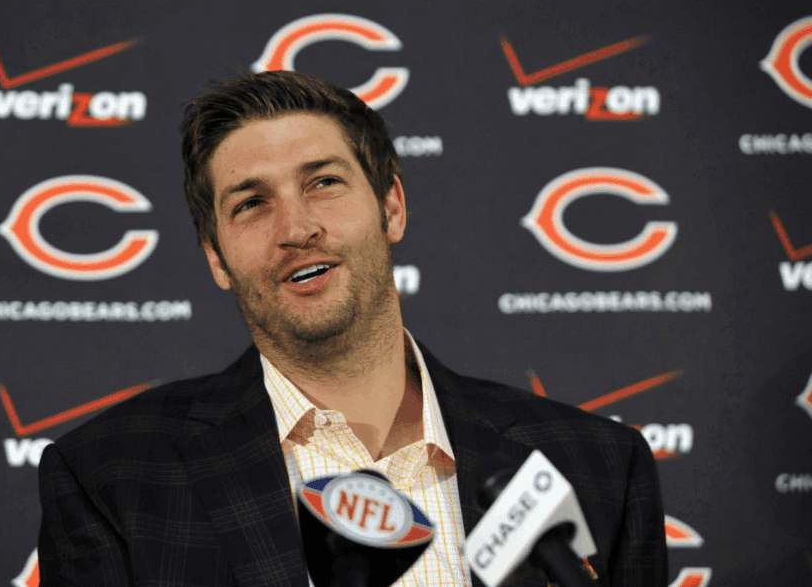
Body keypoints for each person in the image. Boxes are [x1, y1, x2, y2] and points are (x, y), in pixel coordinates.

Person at [37, 71, 668, 586]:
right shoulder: (112, 477)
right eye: (252, 203)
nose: (296, 228)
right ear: (215, 257)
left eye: (324, 183)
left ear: (391, 207)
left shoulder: (595, 465)